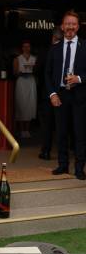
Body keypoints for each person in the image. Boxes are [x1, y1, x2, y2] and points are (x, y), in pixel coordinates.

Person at [46, 10, 86, 180]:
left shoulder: (85, 46)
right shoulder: (54, 48)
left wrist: (79, 78)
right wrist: (52, 93)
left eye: (73, 24)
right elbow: (47, 74)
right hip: (60, 95)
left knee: (80, 133)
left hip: (80, 96)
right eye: (67, 23)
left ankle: (79, 168)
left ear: (78, 27)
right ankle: (62, 165)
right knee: (61, 132)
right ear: (62, 27)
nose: (70, 27)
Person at [35, 27, 63, 160]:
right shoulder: (66, 50)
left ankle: (46, 151)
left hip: (46, 92)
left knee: (47, 124)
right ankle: (66, 151)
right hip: (63, 93)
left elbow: (38, 70)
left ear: (53, 38)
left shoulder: (45, 52)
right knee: (62, 123)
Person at [13, 40, 37, 139]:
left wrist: (33, 69)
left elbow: (37, 71)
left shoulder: (34, 58)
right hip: (21, 82)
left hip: (31, 81)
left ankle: (27, 129)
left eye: (28, 46)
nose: (26, 48)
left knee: (30, 104)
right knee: (21, 104)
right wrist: (21, 72)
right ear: (22, 48)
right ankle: (22, 130)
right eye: (24, 46)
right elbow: (14, 73)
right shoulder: (17, 59)